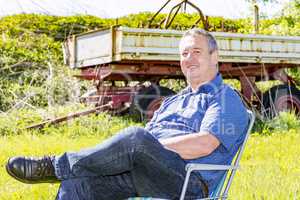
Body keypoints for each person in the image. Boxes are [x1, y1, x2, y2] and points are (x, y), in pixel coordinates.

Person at [6, 29, 249, 200]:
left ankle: (54, 166)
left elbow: (204, 144)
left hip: (187, 182)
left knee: (136, 138)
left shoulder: (225, 98)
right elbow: (145, 144)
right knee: (78, 185)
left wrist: (148, 148)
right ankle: (67, 172)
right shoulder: (173, 101)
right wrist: (138, 152)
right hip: (143, 173)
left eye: (196, 51)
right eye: (184, 54)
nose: (188, 58)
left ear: (214, 56)